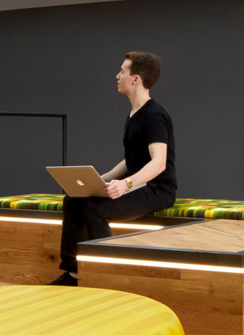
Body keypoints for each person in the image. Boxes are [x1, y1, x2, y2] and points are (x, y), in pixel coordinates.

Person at [52, 52, 176, 286]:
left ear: (136, 79)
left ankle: (105, 278)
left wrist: (126, 184)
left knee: (94, 208)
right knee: (73, 199)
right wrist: (102, 178)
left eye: (122, 71)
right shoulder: (134, 114)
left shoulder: (155, 115)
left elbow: (158, 163)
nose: (117, 76)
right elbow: (131, 161)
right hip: (139, 184)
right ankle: (73, 273)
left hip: (158, 189)